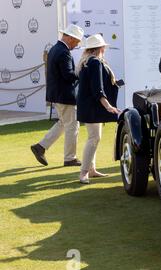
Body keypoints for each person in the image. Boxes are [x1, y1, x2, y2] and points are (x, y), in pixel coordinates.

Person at [31, 24, 84, 167]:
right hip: (65, 95)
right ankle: (70, 158)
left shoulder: (55, 49)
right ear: (70, 38)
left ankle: (40, 147)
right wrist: (82, 73)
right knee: (73, 125)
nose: (77, 44)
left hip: (58, 95)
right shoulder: (63, 52)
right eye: (77, 41)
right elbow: (68, 75)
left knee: (63, 123)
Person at [76, 34, 121, 184]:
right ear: (101, 48)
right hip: (92, 107)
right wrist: (108, 106)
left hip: (90, 106)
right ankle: (84, 172)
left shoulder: (87, 62)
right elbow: (97, 88)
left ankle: (91, 169)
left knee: (94, 137)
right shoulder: (94, 63)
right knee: (94, 138)